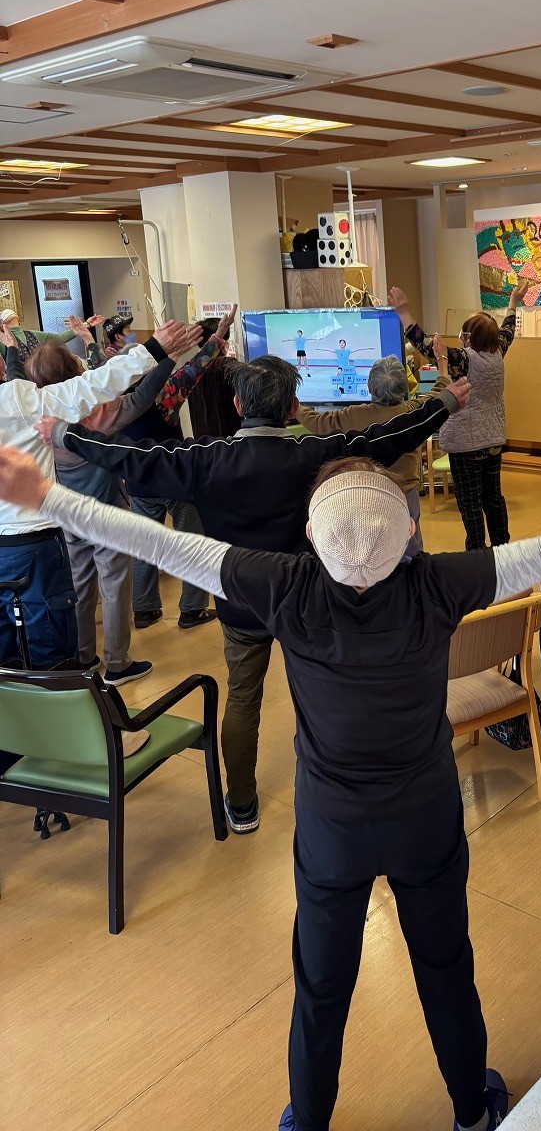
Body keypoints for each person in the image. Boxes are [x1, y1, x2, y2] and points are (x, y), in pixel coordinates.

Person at [0, 439, 541, 1131]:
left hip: (331, 833)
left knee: (321, 986)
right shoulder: (438, 585)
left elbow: (158, 543)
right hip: (426, 821)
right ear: (409, 531)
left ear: (311, 535)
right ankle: (471, 1110)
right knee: (445, 968)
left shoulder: (285, 586)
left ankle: (309, 1118)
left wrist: (47, 497)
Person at [47, 356, 470, 835]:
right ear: (291, 406)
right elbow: (387, 437)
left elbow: (132, 457)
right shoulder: (313, 453)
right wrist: (444, 402)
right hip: (305, 602)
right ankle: (334, 792)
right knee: (321, 695)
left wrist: (65, 434)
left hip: (239, 603)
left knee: (243, 700)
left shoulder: (206, 458)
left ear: (237, 404)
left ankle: (243, 804)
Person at [0, 319, 184, 667]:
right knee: (112, 587)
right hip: (93, 519)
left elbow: (16, 385)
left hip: (60, 522)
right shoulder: (92, 414)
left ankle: (84, 658)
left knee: (76, 590)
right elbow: (128, 391)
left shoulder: (30, 411)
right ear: (72, 372)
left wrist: (12, 354)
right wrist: (164, 353)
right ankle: (117, 662)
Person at [389, 279, 531, 550]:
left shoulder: (464, 359)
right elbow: (508, 329)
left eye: (464, 332)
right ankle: (503, 549)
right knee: (493, 498)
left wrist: (403, 313)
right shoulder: (497, 353)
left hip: (466, 446)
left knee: (470, 503)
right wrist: (513, 301)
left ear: (469, 337)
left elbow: (424, 345)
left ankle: (476, 552)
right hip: (493, 442)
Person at [122, 304, 238, 631]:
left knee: (143, 547)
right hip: (174, 479)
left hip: (138, 483)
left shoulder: (116, 404)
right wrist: (218, 333)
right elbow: (197, 366)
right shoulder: (164, 397)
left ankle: (144, 610)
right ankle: (192, 609)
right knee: (193, 542)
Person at [295, 354, 448, 554]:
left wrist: (296, 407)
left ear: (369, 387)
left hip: (367, 495)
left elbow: (318, 422)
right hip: (406, 495)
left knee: (370, 550)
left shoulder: (353, 415)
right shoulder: (414, 411)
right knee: (411, 551)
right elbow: (439, 393)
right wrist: (442, 365)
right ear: (404, 388)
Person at [187, 317, 242, 439]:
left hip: (202, 442)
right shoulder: (229, 365)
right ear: (225, 342)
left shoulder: (190, 370)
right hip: (230, 442)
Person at [0, 307, 98, 364]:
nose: (8, 312)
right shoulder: (2, 340)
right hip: (18, 384)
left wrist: (87, 324)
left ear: (19, 321)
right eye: (2, 313)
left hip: (40, 381)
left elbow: (60, 337)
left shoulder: (32, 335)